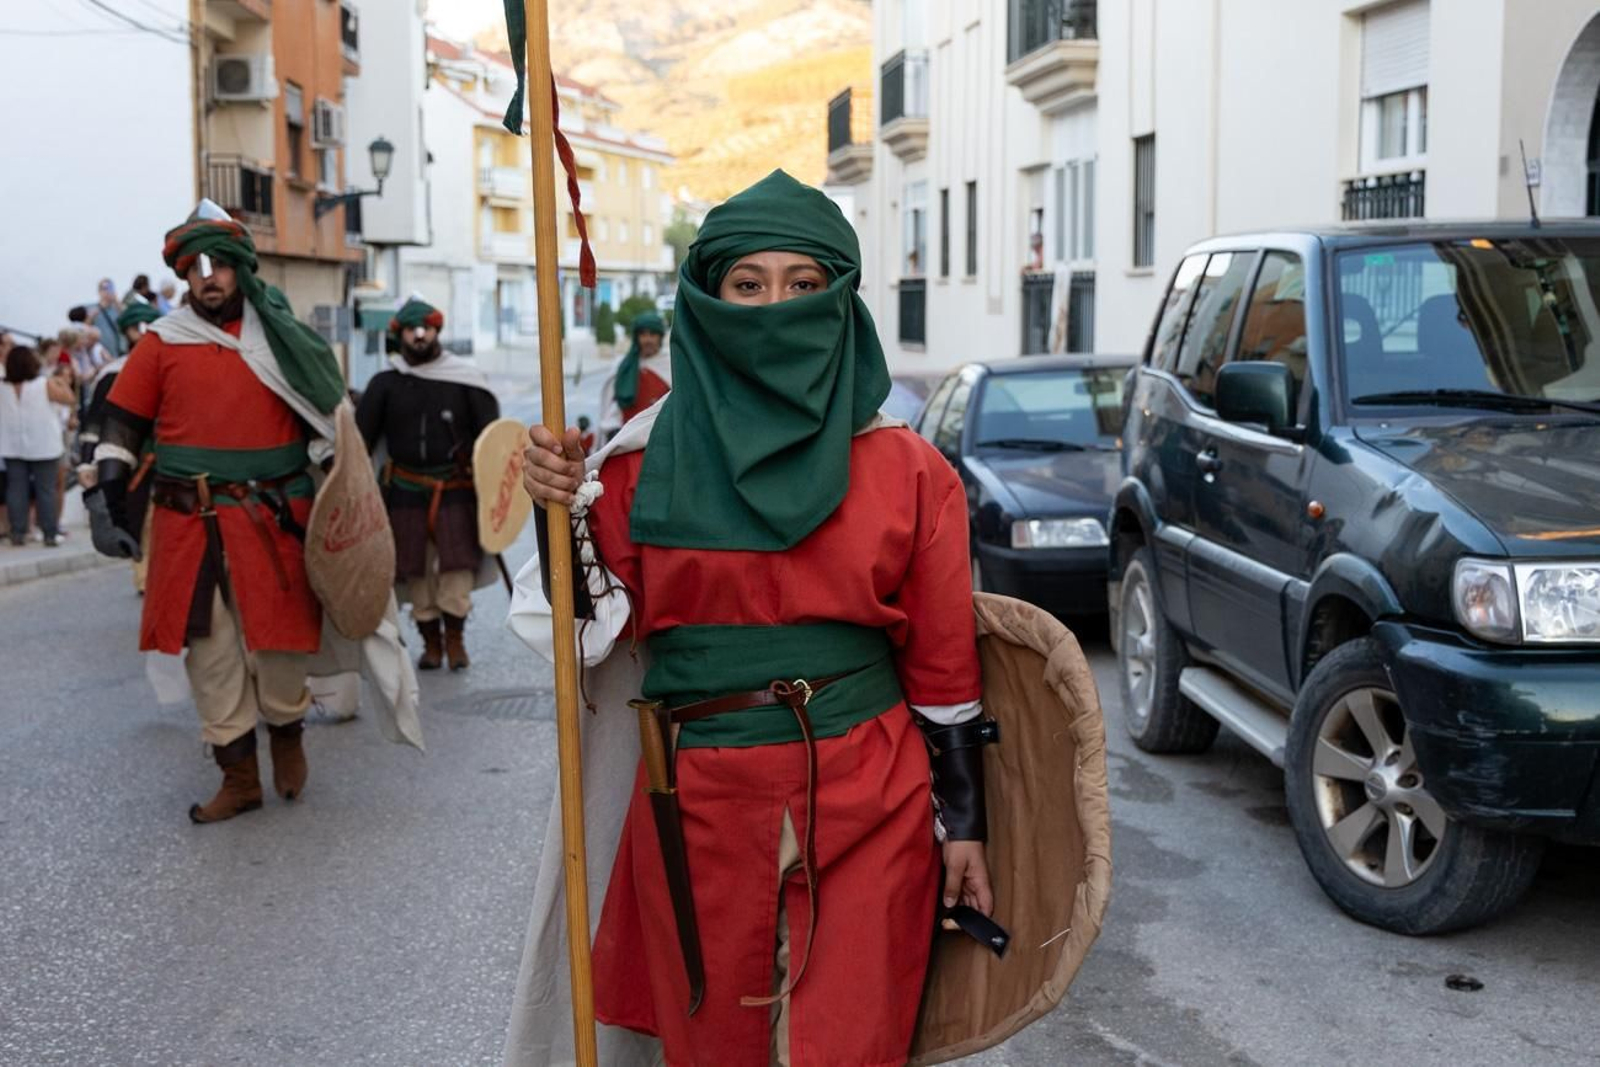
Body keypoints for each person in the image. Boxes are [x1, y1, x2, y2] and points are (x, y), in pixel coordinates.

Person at [512, 171, 993, 1064]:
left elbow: (946, 671)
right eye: (749, 285)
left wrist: (964, 820)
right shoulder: (631, 468)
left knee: (851, 1045)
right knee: (715, 1049)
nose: (775, 306)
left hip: (873, 795)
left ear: (841, 301)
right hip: (696, 801)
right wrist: (559, 515)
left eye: (803, 285)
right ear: (709, 300)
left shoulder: (911, 471)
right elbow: (587, 632)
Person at [89, 202, 348, 824]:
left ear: (238, 268)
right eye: (196, 267)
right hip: (188, 521)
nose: (208, 277)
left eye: (219, 265)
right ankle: (238, 777)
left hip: (273, 515)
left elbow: (329, 417)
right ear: (184, 276)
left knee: (280, 648)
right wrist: (105, 497)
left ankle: (287, 735)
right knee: (210, 652)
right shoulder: (163, 342)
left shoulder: (281, 339)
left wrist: (342, 478)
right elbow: (120, 428)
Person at [355, 295, 500, 671]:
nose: (419, 335)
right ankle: (431, 643)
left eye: (426, 328)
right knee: (415, 571)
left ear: (437, 330)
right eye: (410, 329)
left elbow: (494, 440)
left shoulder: (465, 381)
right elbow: (361, 440)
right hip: (405, 490)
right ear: (400, 334)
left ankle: (455, 640)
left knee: (456, 570)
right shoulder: (385, 383)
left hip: (455, 490)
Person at [2, 346, 73, 546]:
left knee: (16, 488)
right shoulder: (44, 384)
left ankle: (18, 532)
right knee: (46, 489)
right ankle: (50, 533)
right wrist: (63, 383)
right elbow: (69, 399)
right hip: (44, 443)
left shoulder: (2, 387)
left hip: (12, 444)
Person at [602, 310, 669, 431]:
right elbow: (611, 406)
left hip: (660, 435)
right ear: (636, 337)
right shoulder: (623, 365)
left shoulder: (670, 365)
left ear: (660, 337)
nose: (648, 340)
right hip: (626, 436)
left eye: (653, 334)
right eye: (643, 334)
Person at [92, 278, 125, 357]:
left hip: (118, 350)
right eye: (104, 289)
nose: (107, 292)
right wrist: (100, 308)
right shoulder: (93, 309)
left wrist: (117, 302)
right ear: (99, 292)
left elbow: (127, 318)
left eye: (110, 288)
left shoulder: (117, 308)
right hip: (102, 353)